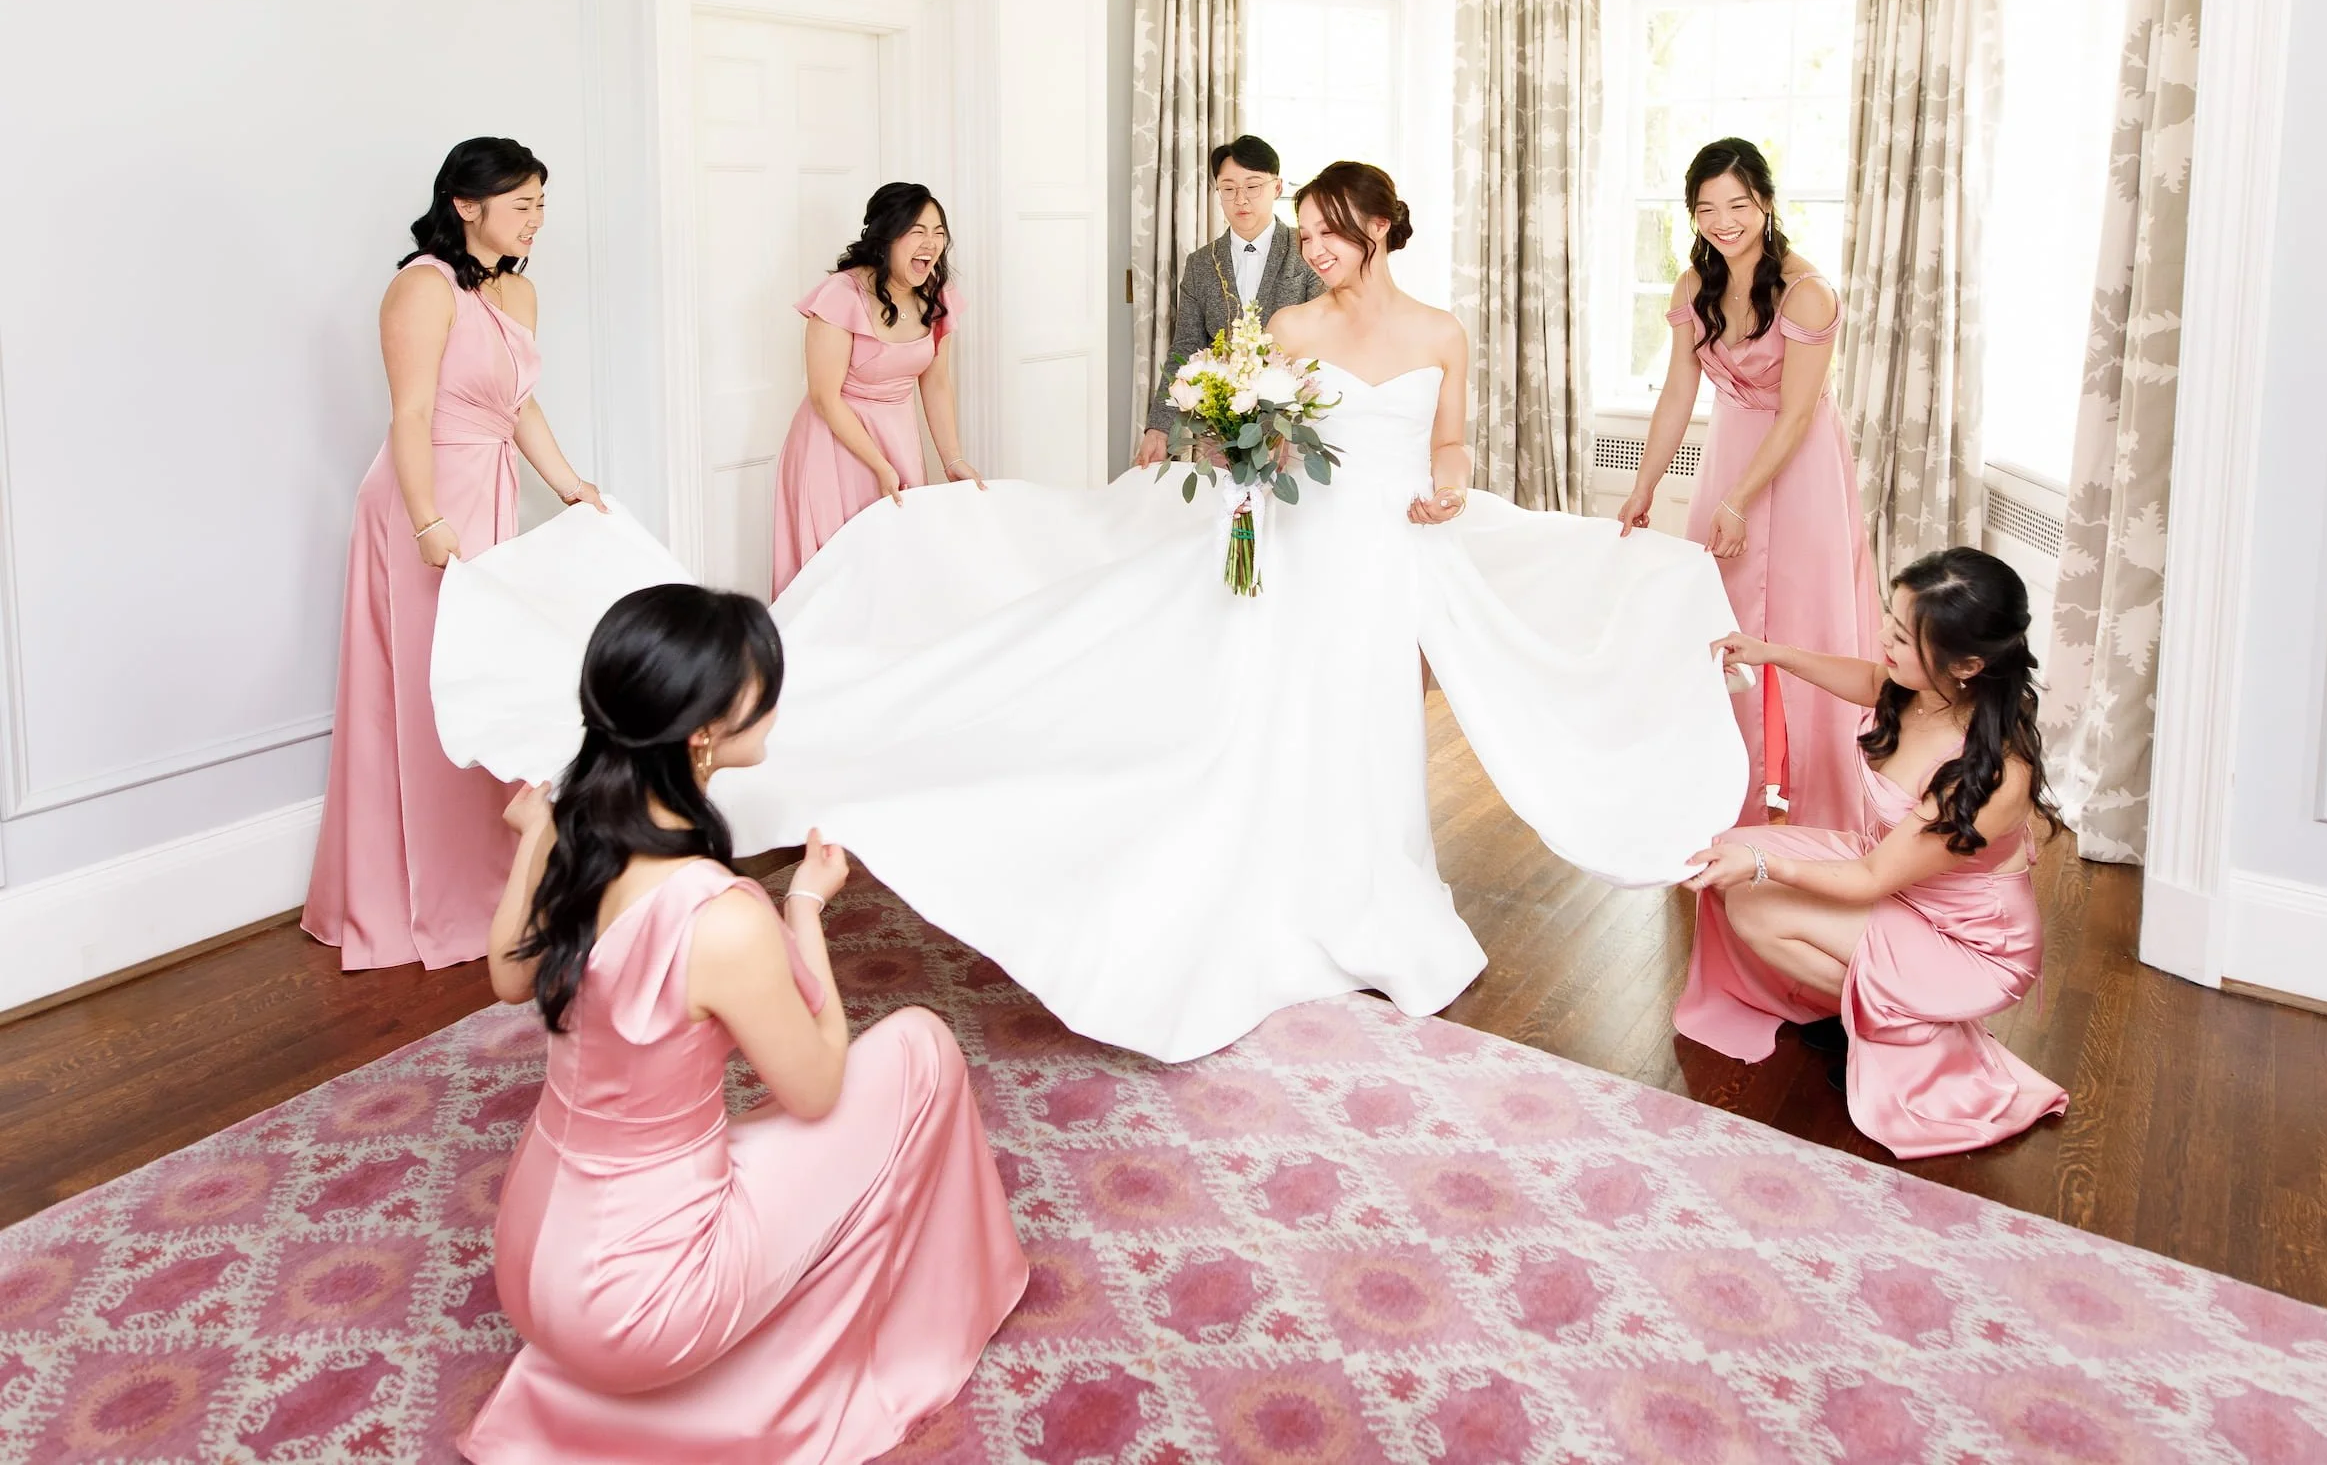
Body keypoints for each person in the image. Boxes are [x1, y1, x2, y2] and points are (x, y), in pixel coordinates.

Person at [430, 161, 1749, 1066]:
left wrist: (1445, 492)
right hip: (1291, 553)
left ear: (1384, 232)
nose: (1319, 248)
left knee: (1360, 723)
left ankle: (1366, 889)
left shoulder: (1445, 334)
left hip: (1380, 560)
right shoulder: (1285, 324)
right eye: (1311, 228)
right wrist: (1238, 452)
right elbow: (1234, 427)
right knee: (1263, 713)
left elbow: (1452, 449)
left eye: (1337, 231)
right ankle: (1266, 880)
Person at [461, 584, 1025, 1463]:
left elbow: (506, 974)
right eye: (753, 682)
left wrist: (536, 832)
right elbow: (817, 1089)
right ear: (701, 736)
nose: (771, 690)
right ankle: (917, 1324)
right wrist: (803, 909)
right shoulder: (721, 916)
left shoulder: (582, 835)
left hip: (529, 1264)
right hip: (633, 1305)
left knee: (745, 1135)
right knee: (921, 1045)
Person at [304, 138, 604, 970]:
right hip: (422, 499)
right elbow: (410, 415)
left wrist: (571, 483)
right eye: (522, 206)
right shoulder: (420, 287)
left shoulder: (519, 290)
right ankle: (416, 896)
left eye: (542, 205)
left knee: (488, 683)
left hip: (492, 492)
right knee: (429, 690)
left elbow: (518, 406)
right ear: (466, 205)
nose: (537, 221)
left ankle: (496, 883)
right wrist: (429, 521)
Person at [1673, 547, 2069, 1160]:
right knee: (1730, 851)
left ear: (1966, 663)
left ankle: (1899, 1029)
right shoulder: (1921, 689)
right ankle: (1873, 1012)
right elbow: (1868, 679)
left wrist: (1762, 867)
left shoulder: (1990, 774)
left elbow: (1869, 878)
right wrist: (1771, 652)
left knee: (1754, 900)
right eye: (1890, 616)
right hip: (1895, 881)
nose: (1885, 637)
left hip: (1966, 940)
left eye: (1904, 637)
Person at [1617, 138, 1880, 831]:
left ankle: (1822, 808)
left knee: (1803, 619)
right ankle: (1724, 794)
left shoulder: (1809, 292)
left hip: (1801, 465)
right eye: (1707, 208)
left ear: (1765, 202)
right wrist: (1645, 486)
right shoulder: (1692, 285)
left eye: (1738, 204)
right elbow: (1678, 392)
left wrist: (1741, 499)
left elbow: (1797, 413)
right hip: (1729, 452)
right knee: (1721, 619)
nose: (1723, 220)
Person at [771, 183, 980, 598]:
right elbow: (824, 398)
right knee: (838, 575)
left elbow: (935, 383)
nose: (932, 243)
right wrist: (880, 465)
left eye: (939, 231)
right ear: (886, 236)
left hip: (897, 438)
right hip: (834, 444)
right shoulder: (840, 296)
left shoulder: (937, 296)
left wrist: (952, 459)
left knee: (897, 571)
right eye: (918, 231)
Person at [1134, 134, 1324, 468]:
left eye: (1254, 186)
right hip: (1223, 434)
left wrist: (1287, 430)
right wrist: (1159, 429)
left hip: (1293, 429)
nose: (1242, 199)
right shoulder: (1200, 265)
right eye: (1229, 188)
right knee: (1231, 516)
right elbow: (1186, 348)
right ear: (1217, 192)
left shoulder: (1308, 249)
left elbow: (1325, 347)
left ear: (1277, 188)